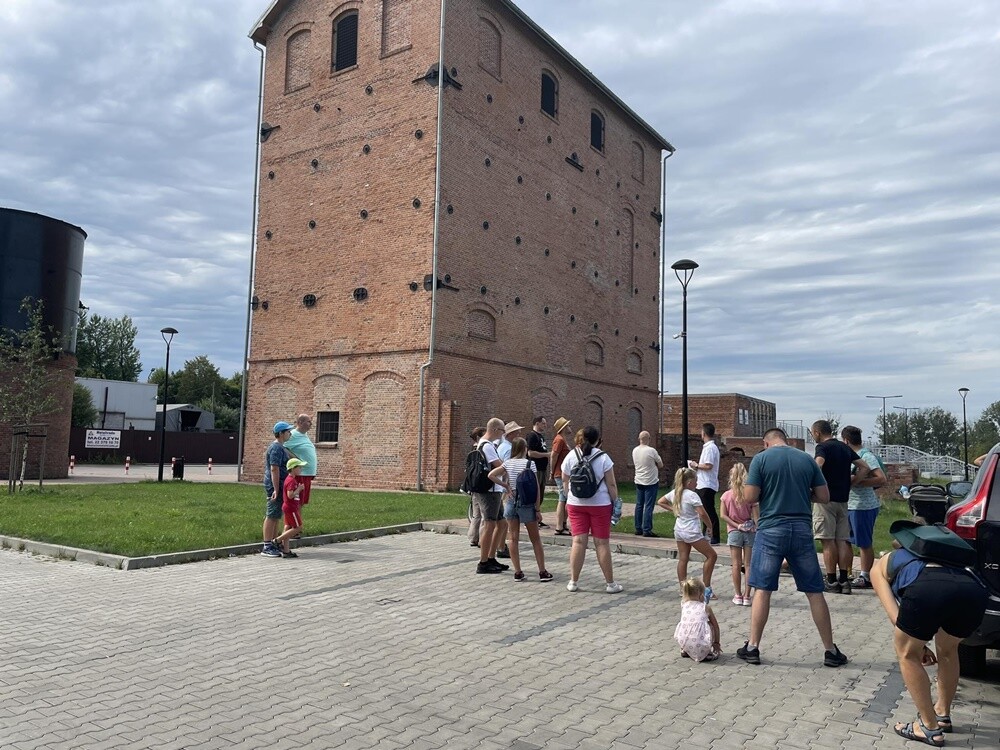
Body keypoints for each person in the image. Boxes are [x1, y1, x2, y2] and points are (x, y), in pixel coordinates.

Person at [737, 427, 848, 668]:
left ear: (766, 443)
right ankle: (830, 651)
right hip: (800, 530)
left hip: (771, 529)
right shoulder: (806, 459)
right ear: (785, 440)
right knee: (814, 591)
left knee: (762, 590)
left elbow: (749, 496)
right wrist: (801, 494)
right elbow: (824, 496)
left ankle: (753, 647)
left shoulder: (761, 459)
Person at [870, 521, 988, 746]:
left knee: (906, 655)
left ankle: (928, 727)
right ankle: (942, 714)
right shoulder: (951, 558)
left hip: (928, 588)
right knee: (948, 650)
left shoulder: (888, 561)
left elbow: (896, 617)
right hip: (972, 590)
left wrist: (917, 647)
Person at [561, 426, 623, 593]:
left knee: (578, 541)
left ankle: (573, 582)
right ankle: (610, 584)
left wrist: (568, 497)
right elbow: (611, 483)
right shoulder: (603, 458)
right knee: (601, 543)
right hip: (600, 504)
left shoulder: (571, 455)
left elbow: (565, 479)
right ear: (597, 440)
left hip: (576, 503)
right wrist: (615, 500)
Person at [811, 419, 869, 594]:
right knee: (842, 540)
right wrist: (852, 483)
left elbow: (818, 465)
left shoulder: (822, 448)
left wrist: (814, 485)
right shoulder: (845, 447)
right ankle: (844, 580)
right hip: (844, 500)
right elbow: (864, 467)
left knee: (827, 541)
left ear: (817, 433)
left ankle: (831, 580)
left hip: (825, 501)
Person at [488, 438, 552, 582]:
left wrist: (505, 485)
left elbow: (491, 475)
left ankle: (518, 572)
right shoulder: (530, 464)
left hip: (511, 501)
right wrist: (538, 509)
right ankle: (542, 571)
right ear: (524, 449)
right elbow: (536, 488)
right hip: (527, 503)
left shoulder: (508, 463)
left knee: (513, 537)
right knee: (535, 539)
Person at [658, 467, 717, 599]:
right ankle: (707, 588)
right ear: (690, 481)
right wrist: (709, 526)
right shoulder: (692, 495)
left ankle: (682, 589)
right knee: (711, 556)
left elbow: (660, 501)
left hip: (679, 530)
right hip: (691, 531)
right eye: (696, 480)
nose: (697, 483)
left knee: (683, 559)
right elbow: (702, 513)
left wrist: (674, 509)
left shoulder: (675, 492)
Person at [841, 425, 887, 590]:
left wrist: (858, 482)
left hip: (863, 506)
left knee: (863, 542)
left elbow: (881, 479)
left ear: (846, 440)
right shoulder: (849, 456)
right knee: (845, 540)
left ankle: (865, 576)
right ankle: (846, 573)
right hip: (848, 504)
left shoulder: (866, 456)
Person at [719, 462, 757, 606]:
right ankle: (747, 596)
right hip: (749, 531)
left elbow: (723, 515)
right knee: (748, 565)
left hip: (734, 531)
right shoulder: (749, 495)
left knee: (735, 564)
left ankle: (738, 594)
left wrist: (736, 525)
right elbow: (756, 517)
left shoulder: (726, 496)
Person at [473, 418, 508, 574]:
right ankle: (483, 562)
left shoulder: (485, 444)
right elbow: (499, 466)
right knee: (489, 524)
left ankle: (491, 557)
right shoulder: (487, 446)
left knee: (501, 523)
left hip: (495, 490)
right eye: (501, 430)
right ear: (494, 429)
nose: (503, 434)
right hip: (489, 491)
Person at [261, 421, 292, 558]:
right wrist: (275, 488)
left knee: (276, 514)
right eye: (287, 431)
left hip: (280, 485)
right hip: (275, 485)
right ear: (280, 433)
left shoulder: (281, 447)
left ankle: (274, 542)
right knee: (272, 514)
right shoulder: (276, 448)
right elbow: (274, 468)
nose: (290, 434)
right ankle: (267, 545)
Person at [494, 421, 524, 560]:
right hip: (507, 487)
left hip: (502, 487)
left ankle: (500, 546)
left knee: (503, 520)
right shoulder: (507, 449)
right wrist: (507, 487)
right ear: (510, 434)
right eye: (516, 432)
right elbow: (507, 469)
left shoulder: (503, 446)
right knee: (505, 520)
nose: (519, 434)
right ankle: (500, 546)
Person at [674, 578, 722, 662]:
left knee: (688, 624)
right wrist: (716, 643)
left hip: (682, 639)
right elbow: (716, 627)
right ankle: (706, 653)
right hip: (701, 643)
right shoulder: (706, 607)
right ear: (701, 594)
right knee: (710, 625)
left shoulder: (684, 605)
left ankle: (685, 649)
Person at [688, 423, 721, 544]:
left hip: (707, 484)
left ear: (704, 433)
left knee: (708, 511)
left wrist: (696, 465)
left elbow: (708, 465)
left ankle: (714, 536)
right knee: (704, 510)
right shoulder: (708, 447)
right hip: (703, 483)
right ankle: (706, 534)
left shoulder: (710, 448)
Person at [632, 430, 663, 537]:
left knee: (639, 505)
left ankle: (638, 528)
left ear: (639, 439)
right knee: (649, 506)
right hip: (651, 480)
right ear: (648, 439)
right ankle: (647, 529)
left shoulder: (635, 450)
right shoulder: (651, 451)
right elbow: (660, 464)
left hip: (639, 479)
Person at [273, 457, 307, 557]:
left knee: (288, 528)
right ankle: (277, 540)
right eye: (299, 467)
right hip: (290, 508)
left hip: (289, 507)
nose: (301, 469)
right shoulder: (291, 481)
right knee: (298, 527)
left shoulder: (292, 479)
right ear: (293, 468)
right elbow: (290, 495)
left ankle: (286, 551)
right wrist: (299, 489)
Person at [284, 414, 317, 506]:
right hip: (300, 473)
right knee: (296, 502)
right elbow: (283, 448)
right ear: (300, 423)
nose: (311, 424)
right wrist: (295, 458)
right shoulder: (293, 434)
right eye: (308, 421)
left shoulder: (304, 434)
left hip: (307, 474)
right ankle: (294, 519)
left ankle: (297, 520)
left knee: (301, 502)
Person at [525, 416, 550, 528]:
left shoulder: (541, 437)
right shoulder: (532, 436)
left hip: (542, 469)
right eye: (543, 423)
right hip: (535, 468)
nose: (545, 425)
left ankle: (536, 518)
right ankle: (529, 520)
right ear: (537, 423)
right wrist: (547, 455)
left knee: (541, 493)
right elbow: (530, 453)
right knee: (535, 493)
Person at [549, 417, 573, 535]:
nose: (570, 427)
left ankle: (563, 524)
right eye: (568, 425)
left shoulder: (562, 440)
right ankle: (559, 526)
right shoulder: (559, 440)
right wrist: (552, 472)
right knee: (563, 499)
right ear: (563, 428)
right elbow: (554, 456)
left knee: (565, 498)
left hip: (564, 473)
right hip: (560, 473)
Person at [466, 426, 487, 548]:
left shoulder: (472, 450)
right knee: (483, 514)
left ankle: (473, 537)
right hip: (481, 484)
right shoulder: (482, 448)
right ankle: (481, 539)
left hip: (473, 483)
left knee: (476, 513)